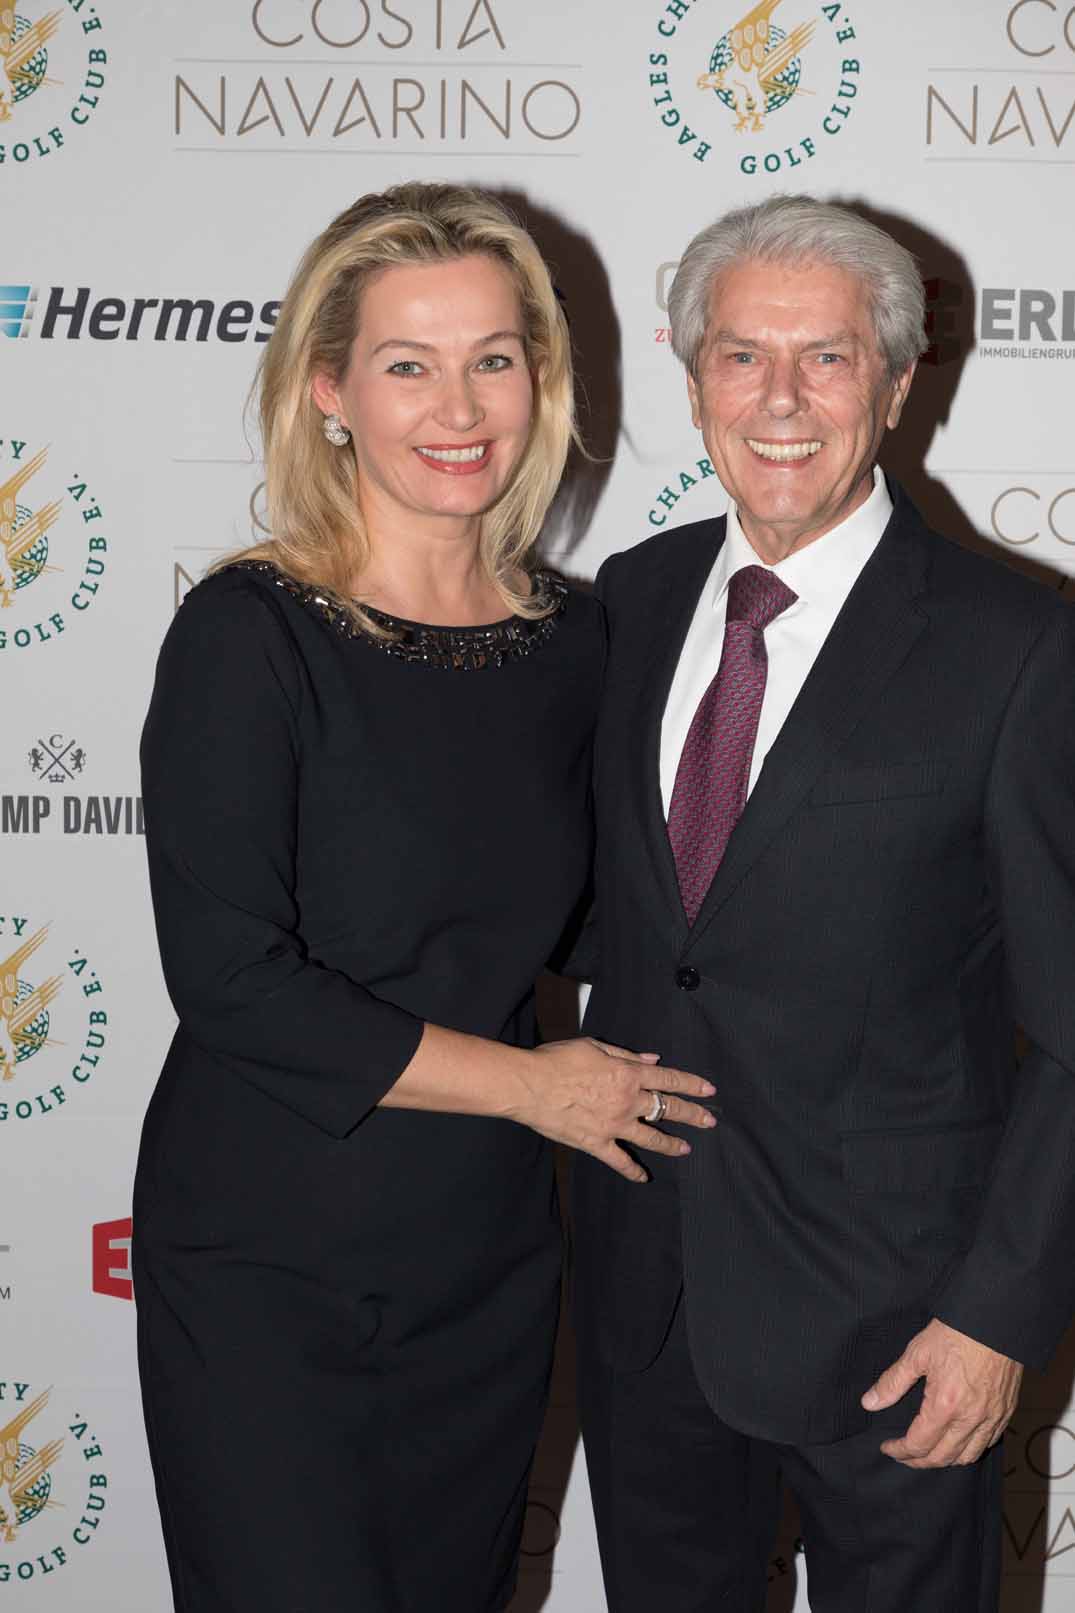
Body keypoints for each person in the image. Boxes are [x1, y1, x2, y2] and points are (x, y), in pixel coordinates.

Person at [132, 182, 715, 1613]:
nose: (459, 408)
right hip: (271, 1257)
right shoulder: (249, 634)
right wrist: (537, 1088)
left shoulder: (577, 642)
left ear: (540, 378)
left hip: (484, 1257)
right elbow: (233, 983)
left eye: (493, 359)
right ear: (328, 391)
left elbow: (612, 922)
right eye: (409, 364)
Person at [571, 195, 1075, 1611]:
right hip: (648, 1304)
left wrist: (996, 1315)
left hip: (903, 1333)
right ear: (693, 383)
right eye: (742, 356)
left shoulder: (1020, 648)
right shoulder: (629, 599)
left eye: (828, 357)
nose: (780, 399)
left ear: (898, 385)